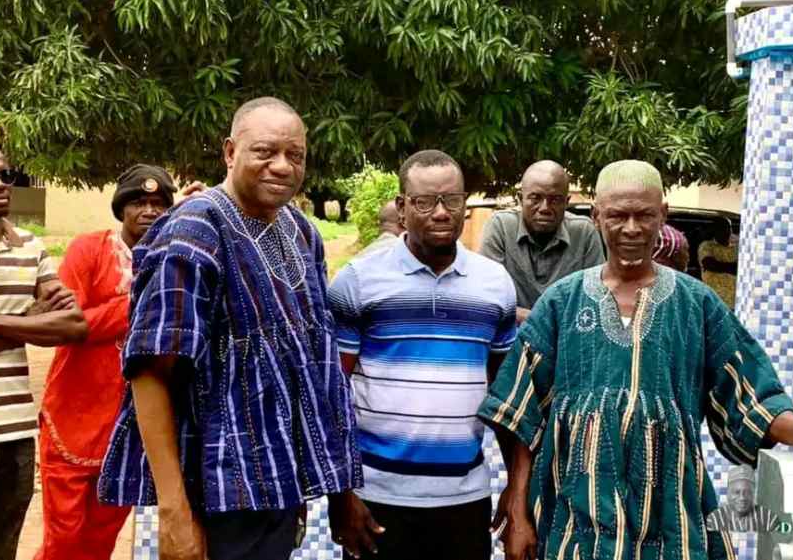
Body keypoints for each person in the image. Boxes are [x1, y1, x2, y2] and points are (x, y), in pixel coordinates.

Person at [478, 160, 793, 560]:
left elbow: (750, 393)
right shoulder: (562, 301)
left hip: (670, 516)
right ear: (596, 217)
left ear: (662, 215)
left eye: (644, 215)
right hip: (575, 517)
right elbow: (521, 412)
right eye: (617, 215)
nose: (631, 228)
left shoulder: (696, 304)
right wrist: (517, 507)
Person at [97, 97, 362, 560]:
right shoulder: (194, 230)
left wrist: (333, 485)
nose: (282, 166)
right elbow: (150, 372)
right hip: (217, 496)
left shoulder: (301, 232)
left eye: (295, 155)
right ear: (229, 152)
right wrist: (174, 512)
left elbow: (314, 364)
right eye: (265, 151)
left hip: (278, 487)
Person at [327, 149, 518, 560]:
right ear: (402, 207)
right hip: (377, 500)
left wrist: (517, 492)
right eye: (425, 201)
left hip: (465, 500)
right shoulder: (358, 282)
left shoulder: (495, 285)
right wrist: (341, 495)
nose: (441, 212)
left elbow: (505, 398)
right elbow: (332, 397)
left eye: (452, 200)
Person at [35, 164, 176, 560]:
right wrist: (137, 303)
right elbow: (69, 324)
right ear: (121, 208)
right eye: (138, 202)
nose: (149, 211)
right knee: (63, 540)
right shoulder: (89, 249)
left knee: (101, 539)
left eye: (158, 203)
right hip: (73, 420)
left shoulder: (174, 262)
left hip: (132, 426)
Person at [0, 140, 86, 560]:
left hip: (15, 437)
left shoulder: (29, 246)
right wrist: (29, 321)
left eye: (5, 175)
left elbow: (73, 325)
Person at [479, 160, 603, 324]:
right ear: (520, 199)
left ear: (566, 202)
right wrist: (540, 321)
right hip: (511, 333)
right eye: (535, 198)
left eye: (555, 200)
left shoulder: (583, 232)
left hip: (566, 333)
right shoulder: (501, 227)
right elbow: (487, 297)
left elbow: (596, 297)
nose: (544, 208)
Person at [705, 466, 781, 533]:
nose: (742, 498)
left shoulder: (769, 519)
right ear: (728, 493)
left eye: (747, 492)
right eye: (736, 492)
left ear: (754, 493)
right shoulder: (714, 519)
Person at [698, 218, 738, 308]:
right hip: (715, 303)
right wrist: (733, 267)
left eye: (728, 228)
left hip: (735, 303)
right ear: (715, 230)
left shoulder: (736, 248)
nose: (725, 231)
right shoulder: (707, 246)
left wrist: (723, 266)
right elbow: (710, 264)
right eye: (721, 228)